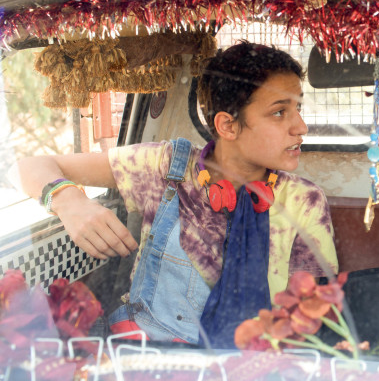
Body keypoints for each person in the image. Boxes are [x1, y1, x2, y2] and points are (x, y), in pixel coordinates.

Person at [17, 41, 338, 347]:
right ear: (228, 126)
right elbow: (30, 166)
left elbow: (310, 318)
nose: (301, 126)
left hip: (247, 363)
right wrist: (69, 201)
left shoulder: (304, 201)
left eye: (298, 108)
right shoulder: (168, 166)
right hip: (143, 352)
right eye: (280, 112)